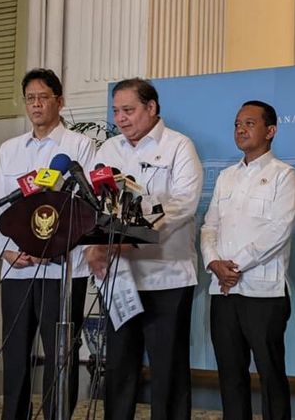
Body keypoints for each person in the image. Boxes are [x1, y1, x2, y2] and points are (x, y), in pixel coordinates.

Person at [86, 78, 203, 420]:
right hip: (120, 276)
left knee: (168, 366)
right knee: (120, 364)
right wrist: (93, 247)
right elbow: (95, 206)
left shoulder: (180, 146)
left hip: (168, 276)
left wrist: (133, 235)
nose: (121, 118)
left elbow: (183, 205)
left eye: (129, 110)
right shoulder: (107, 151)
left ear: (151, 108)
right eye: (116, 111)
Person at [0, 68, 95, 419]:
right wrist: (6, 247)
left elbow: (87, 207)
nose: (36, 105)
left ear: (59, 102)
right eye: (30, 99)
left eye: (43, 98)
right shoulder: (10, 149)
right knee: (16, 353)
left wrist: (54, 246)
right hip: (17, 267)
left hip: (61, 269)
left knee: (59, 354)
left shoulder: (79, 146)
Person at [200, 101, 295, 420]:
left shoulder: (284, 175)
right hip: (224, 291)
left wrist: (235, 266)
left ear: (270, 131)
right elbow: (209, 225)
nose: (240, 129)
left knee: (271, 376)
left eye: (249, 123)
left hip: (264, 292)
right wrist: (214, 263)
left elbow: (279, 230)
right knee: (230, 376)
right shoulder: (226, 176)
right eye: (237, 124)